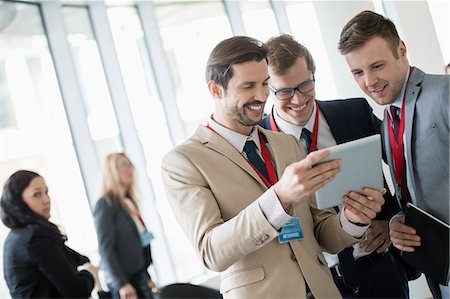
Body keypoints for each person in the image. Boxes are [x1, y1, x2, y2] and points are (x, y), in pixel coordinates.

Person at [161, 36, 385, 298]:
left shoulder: (286, 144)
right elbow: (211, 252)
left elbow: (321, 234)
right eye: (248, 86)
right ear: (215, 90)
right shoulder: (184, 161)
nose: (262, 95)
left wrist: (352, 220)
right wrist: (279, 198)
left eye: (265, 83)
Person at [260, 33, 409, 298]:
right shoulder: (258, 145)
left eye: (305, 85)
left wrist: (393, 217)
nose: (297, 100)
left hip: (379, 269)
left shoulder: (353, 114)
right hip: (318, 286)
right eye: (284, 91)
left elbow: (405, 163)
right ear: (266, 90)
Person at [338, 10, 449, 298]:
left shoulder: (444, 93)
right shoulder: (389, 118)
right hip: (439, 271)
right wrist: (399, 219)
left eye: (377, 66)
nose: (369, 81)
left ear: (401, 50)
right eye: (357, 73)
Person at [1, 170, 96, 298]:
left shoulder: (17, 236)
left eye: (46, 192)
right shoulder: (36, 236)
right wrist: (89, 274)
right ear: (19, 201)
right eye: (37, 194)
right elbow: (76, 292)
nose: (46, 200)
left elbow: (75, 258)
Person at [94, 153, 158, 299]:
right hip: (125, 281)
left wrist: (146, 276)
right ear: (112, 171)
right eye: (123, 165)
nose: (129, 169)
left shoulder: (129, 202)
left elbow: (141, 239)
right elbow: (105, 248)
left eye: (130, 165)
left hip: (139, 274)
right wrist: (121, 284)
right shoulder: (105, 204)